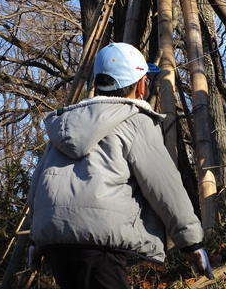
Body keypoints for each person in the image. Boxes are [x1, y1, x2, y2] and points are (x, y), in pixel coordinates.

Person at [26, 42, 213, 288]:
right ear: (142, 84)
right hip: (99, 242)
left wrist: (36, 241)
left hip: (54, 242)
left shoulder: (63, 126)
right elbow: (165, 187)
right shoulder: (135, 121)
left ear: (97, 84)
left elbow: (37, 188)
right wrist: (191, 244)